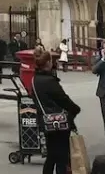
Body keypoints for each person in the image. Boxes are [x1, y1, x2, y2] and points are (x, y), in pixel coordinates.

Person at [30, 45, 82, 174]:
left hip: (46, 121)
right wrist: (76, 109)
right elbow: (63, 100)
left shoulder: (34, 79)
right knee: (62, 158)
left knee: (51, 155)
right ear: (48, 63)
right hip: (59, 123)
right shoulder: (49, 81)